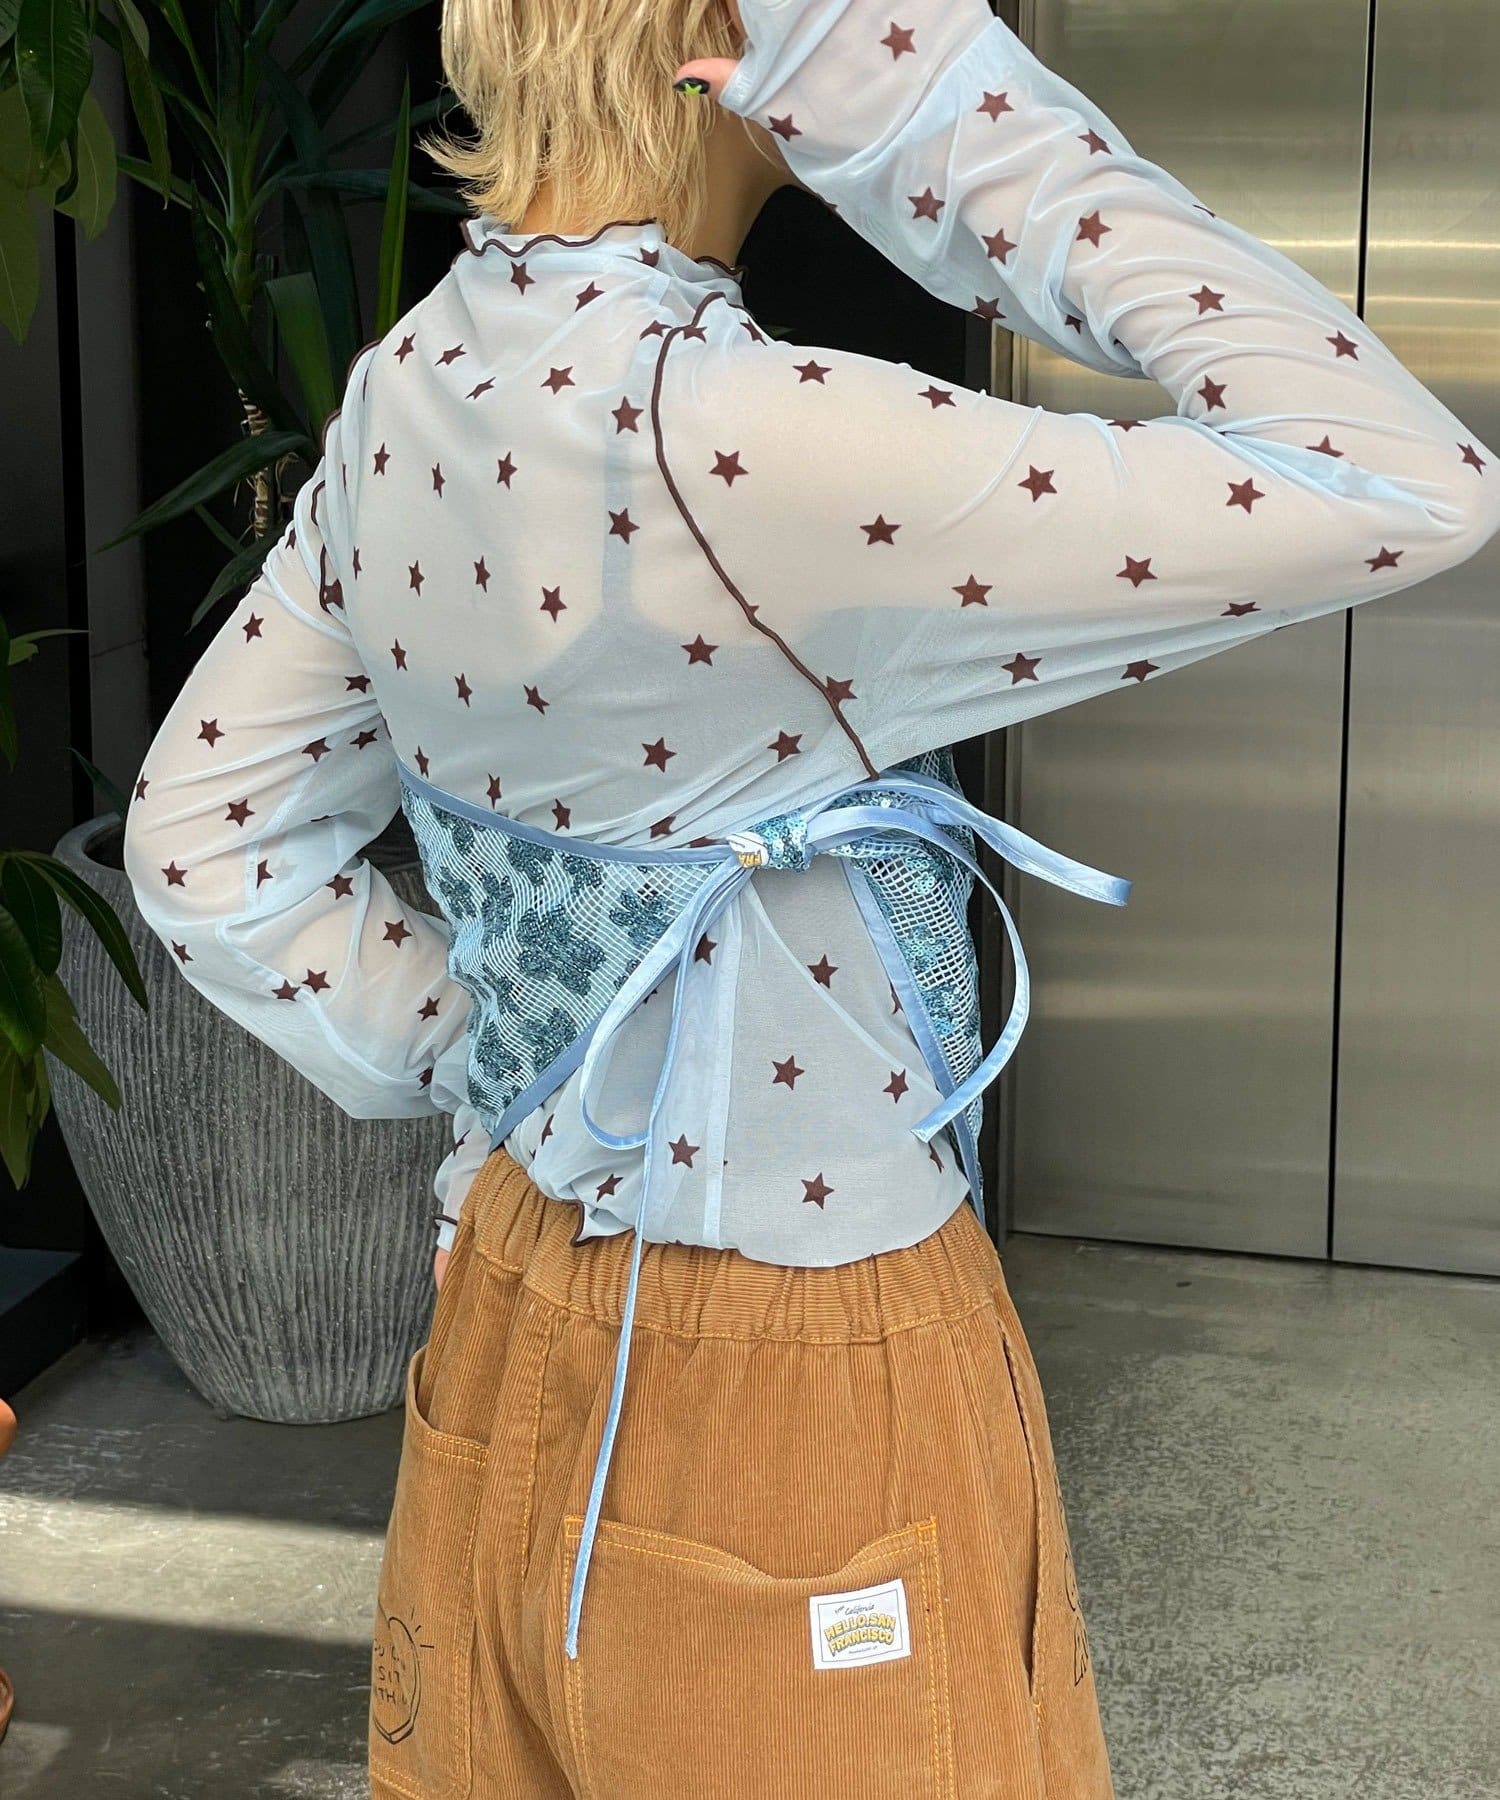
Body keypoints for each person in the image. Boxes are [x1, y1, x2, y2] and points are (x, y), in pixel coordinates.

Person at [122, 0, 1500, 1793]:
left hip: (512, 1287)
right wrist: (927, 107)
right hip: (792, 1355)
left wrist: (516, 1050)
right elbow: (1405, 480)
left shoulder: (410, 386)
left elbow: (202, 840)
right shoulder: (764, 442)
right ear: (735, 30)